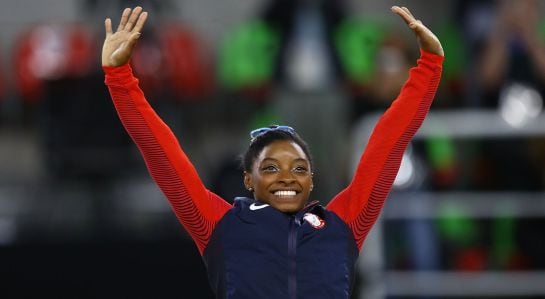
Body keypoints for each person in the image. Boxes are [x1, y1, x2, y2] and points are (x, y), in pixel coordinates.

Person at [102, 5, 443, 298]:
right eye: (271, 168)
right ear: (248, 180)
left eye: (298, 168)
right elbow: (162, 154)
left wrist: (429, 66)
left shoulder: (343, 226)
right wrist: (119, 79)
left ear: (312, 181)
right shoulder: (220, 227)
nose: (286, 177)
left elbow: (389, 141)